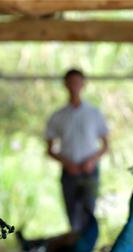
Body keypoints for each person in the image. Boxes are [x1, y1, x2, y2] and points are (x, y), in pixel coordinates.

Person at [45, 68, 109, 231]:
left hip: (90, 171)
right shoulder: (58, 116)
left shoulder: (94, 113)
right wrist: (67, 164)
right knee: (72, 215)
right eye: (71, 82)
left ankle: (88, 244)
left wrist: (92, 160)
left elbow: (106, 145)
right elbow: (50, 149)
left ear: (83, 84)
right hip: (69, 172)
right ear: (65, 85)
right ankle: (74, 243)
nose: (74, 85)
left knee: (89, 213)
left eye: (77, 82)